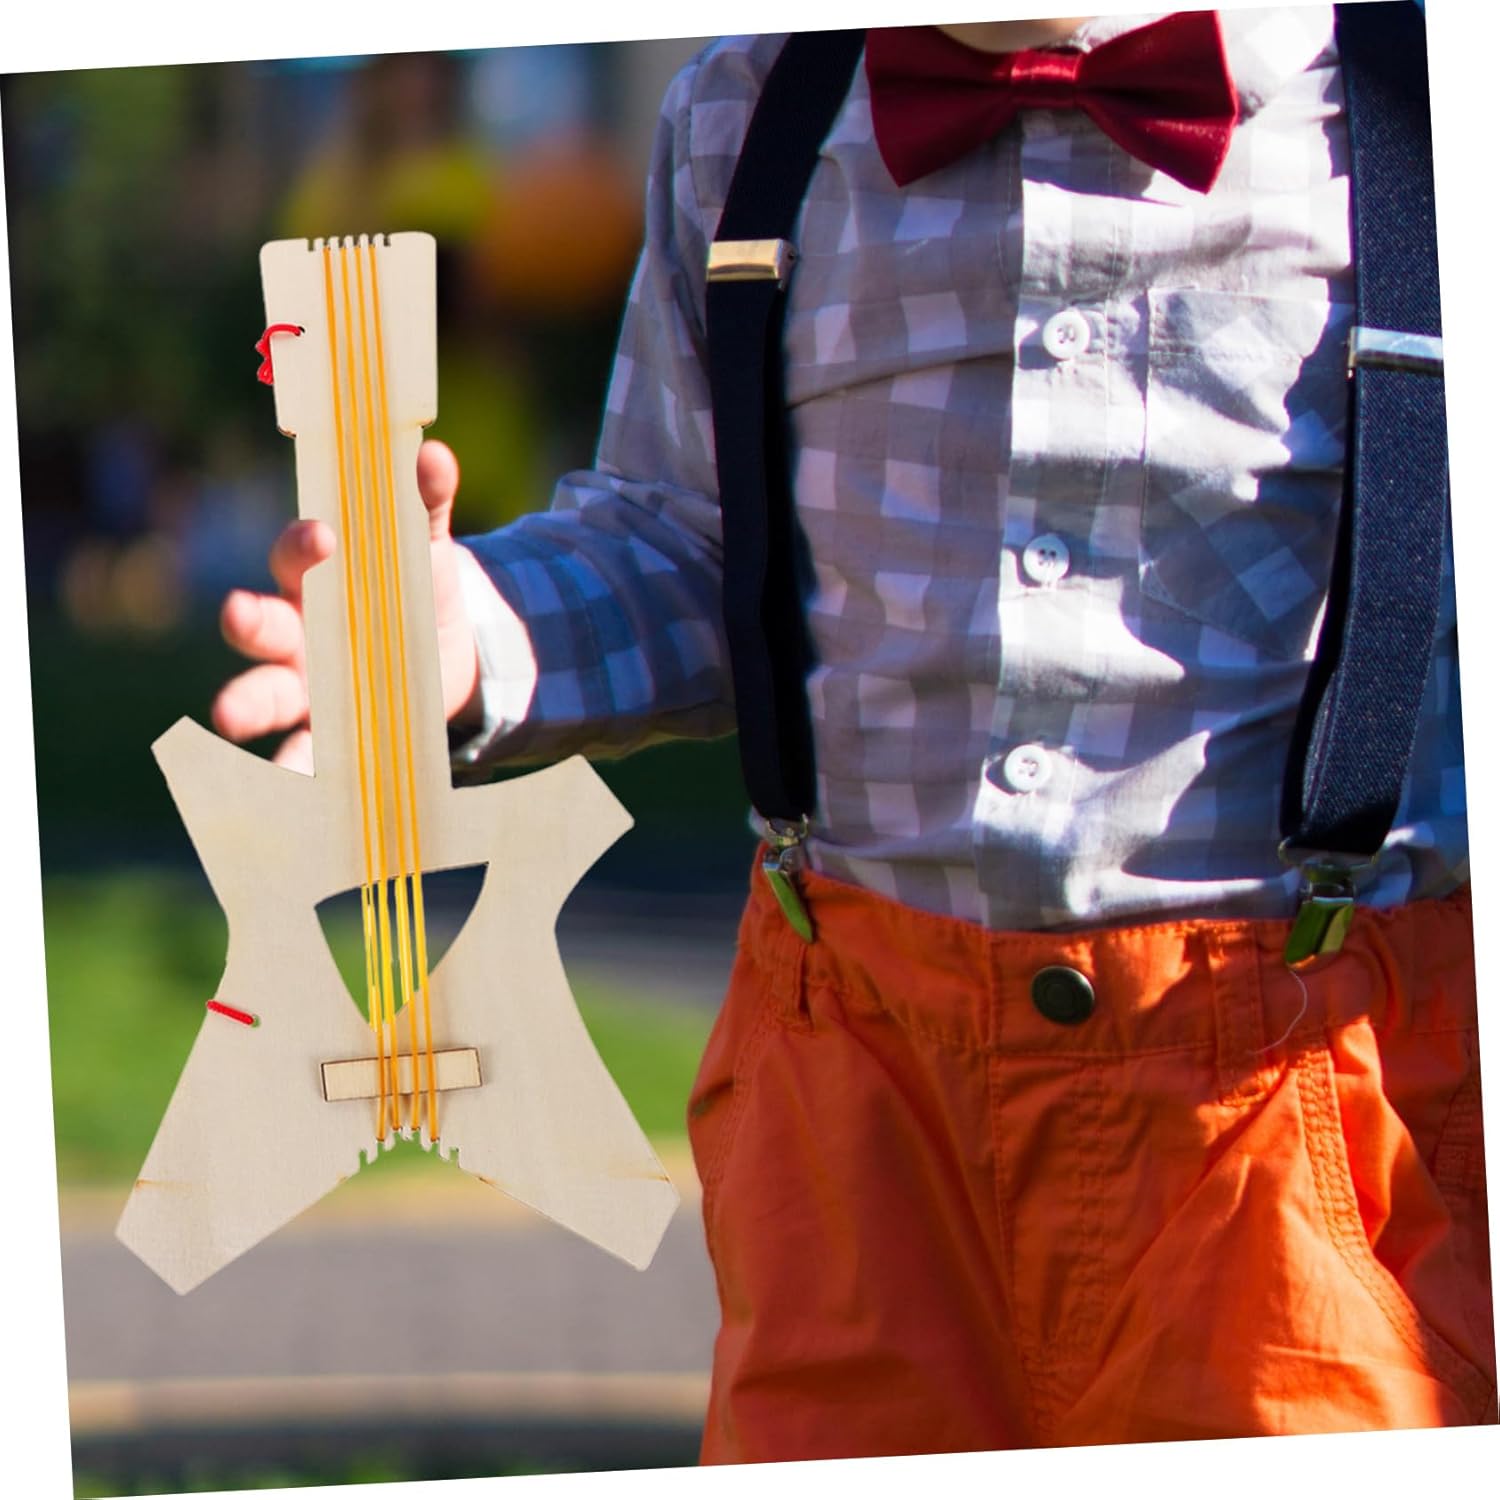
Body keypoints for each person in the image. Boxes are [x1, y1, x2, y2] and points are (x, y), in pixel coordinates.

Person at [212, 8, 1494, 1462]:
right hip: (857, 1097)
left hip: (1307, 1096)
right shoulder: (749, 114)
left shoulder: (1425, 113)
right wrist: (479, 633)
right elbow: (692, 539)